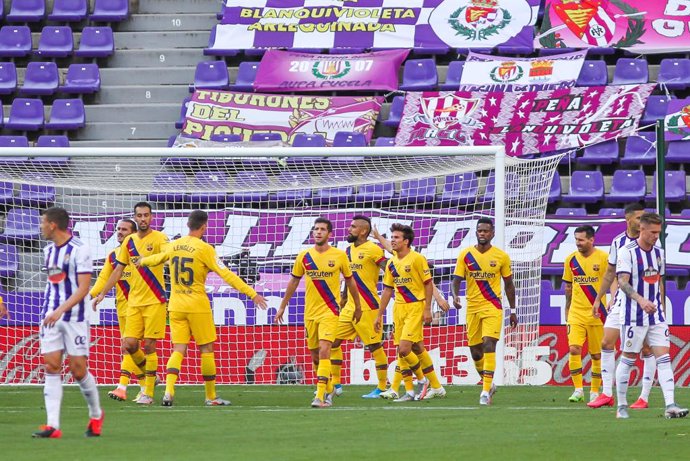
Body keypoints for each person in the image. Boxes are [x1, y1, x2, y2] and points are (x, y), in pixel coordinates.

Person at [137, 210, 268, 406]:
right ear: (204, 226)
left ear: (188, 225)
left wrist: (142, 261)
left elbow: (157, 258)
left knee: (178, 349)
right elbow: (227, 276)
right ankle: (211, 396)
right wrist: (252, 294)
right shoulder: (204, 248)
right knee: (206, 348)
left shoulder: (174, 245)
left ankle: (168, 391)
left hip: (175, 304)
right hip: (197, 304)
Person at [274, 217, 362, 408]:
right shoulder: (304, 256)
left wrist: (357, 306)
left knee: (324, 350)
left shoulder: (339, 255)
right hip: (310, 313)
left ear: (329, 234)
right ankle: (328, 387)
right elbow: (294, 281)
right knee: (315, 355)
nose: (318, 232)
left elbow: (350, 282)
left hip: (330, 311)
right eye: (316, 229)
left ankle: (320, 396)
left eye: (322, 229)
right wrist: (283, 305)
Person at [33, 207, 103, 438]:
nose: (41, 226)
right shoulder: (48, 250)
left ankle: (95, 414)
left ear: (53, 224)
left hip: (75, 318)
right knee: (51, 366)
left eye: (43, 222)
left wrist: (60, 310)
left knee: (78, 370)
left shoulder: (80, 250)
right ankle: (52, 425)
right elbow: (54, 284)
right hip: (50, 316)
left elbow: (84, 288)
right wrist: (49, 311)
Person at [92, 202, 169, 405]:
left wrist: (147, 260)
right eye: (139, 215)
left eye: (146, 215)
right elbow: (117, 270)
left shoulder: (160, 238)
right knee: (129, 344)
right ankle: (149, 376)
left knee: (150, 346)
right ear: (135, 217)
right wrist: (101, 294)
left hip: (154, 300)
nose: (143, 219)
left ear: (151, 217)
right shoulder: (129, 243)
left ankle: (148, 393)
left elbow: (168, 256)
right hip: (134, 301)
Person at [614, 213, 687, 419]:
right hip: (633, 315)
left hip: (656, 315)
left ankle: (670, 405)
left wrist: (661, 307)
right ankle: (621, 406)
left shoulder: (658, 253)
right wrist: (640, 300)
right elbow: (622, 282)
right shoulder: (626, 252)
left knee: (664, 358)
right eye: (653, 232)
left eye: (659, 232)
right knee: (628, 359)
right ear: (642, 230)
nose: (656, 236)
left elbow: (658, 282)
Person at [588, 203, 657, 409]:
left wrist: (657, 302)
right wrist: (599, 297)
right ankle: (607, 394)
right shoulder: (618, 242)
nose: (642, 222)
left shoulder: (652, 243)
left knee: (646, 348)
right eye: (639, 218)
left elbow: (657, 276)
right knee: (607, 343)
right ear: (628, 220)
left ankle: (644, 397)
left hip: (643, 303)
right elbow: (610, 273)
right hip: (621, 302)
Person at [371, 224, 450, 400]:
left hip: (415, 307)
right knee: (413, 348)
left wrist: (428, 308)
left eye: (397, 237)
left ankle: (422, 380)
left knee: (405, 349)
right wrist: (379, 315)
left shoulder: (417, 259)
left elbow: (428, 283)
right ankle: (428, 388)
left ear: (406, 241)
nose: (392, 240)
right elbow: (387, 290)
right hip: (399, 309)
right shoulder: (391, 263)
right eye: (392, 237)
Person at [451, 217, 517, 406]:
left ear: (492, 233)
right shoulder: (466, 255)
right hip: (472, 308)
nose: (482, 234)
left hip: (492, 306)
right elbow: (456, 279)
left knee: (489, 344)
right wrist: (455, 295)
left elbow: (509, 285)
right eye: (480, 230)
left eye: (486, 231)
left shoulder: (501, 256)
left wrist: (513, 310)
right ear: (476, 232)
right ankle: (490, 384)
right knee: (475, 352)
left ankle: (485, 391)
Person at [331, 216, 390, 399]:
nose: (350, 229)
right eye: (350, 226)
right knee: (333, 341)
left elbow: (388, 266)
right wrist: (343, 297)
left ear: (364, 231)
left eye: (354, 227)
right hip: (350, 305)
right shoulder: (347, 251)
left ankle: (382, 387)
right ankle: (336, 384)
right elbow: (350, 278)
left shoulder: (373, 249)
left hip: (368, 305)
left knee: (374, 347)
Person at [89, 218, 141, 402]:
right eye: (118, 229)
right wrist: (90, 296)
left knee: (128, 347)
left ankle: (122, 387)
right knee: (132, 348)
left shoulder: (140, 255)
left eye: (124, 229)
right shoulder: (113, 255)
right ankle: (147, 380)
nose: (119, 232)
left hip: (139, 308)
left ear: (133, 233)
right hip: (122, 309)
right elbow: (103, 279)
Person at [562, 225, 608, 403]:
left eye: (581, 240)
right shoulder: (570, 260)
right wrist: (567, 309)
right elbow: (568, 287)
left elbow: (611, 280)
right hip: (576, 313)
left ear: (591, 239)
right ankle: (578, 389)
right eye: (576, 240)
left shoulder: (604, 258)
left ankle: (595, 391)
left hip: (597, 313)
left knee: (596, 355)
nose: (578, 243)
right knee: (574, 349)